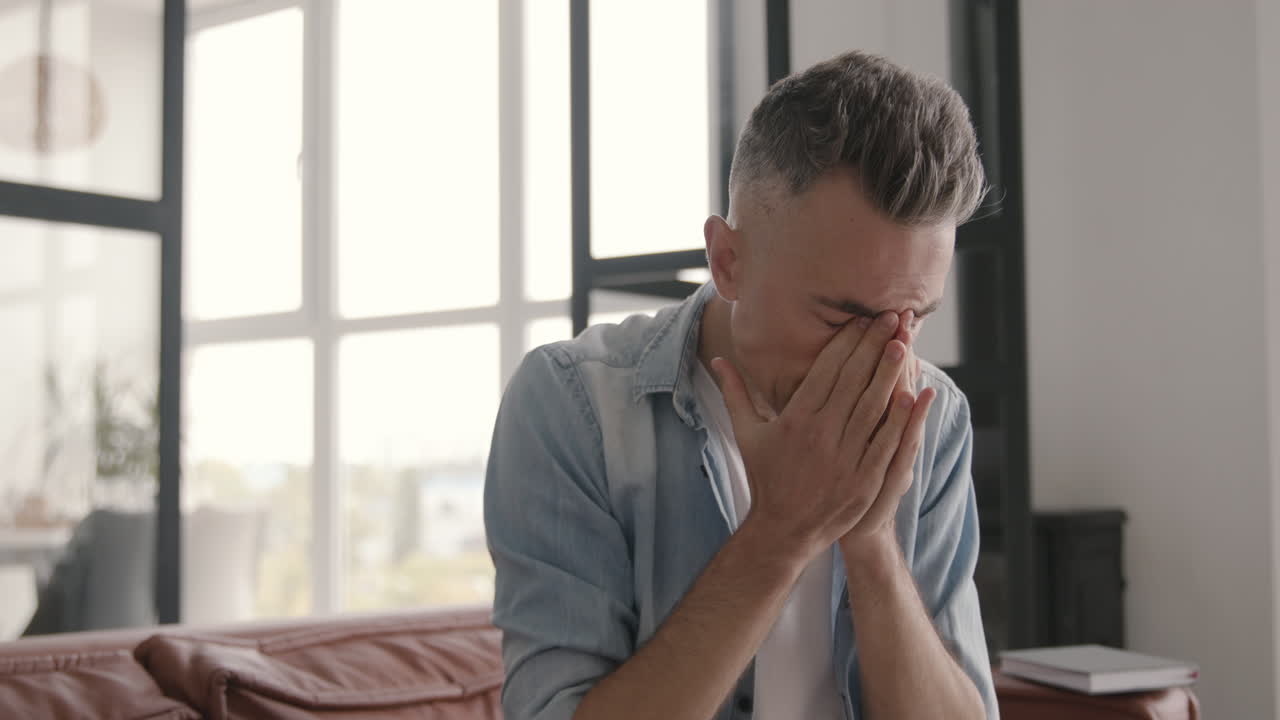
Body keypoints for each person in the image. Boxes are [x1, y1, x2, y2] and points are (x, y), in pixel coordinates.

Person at [485, 49, 997, 720]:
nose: (885, 359)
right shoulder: (573, 407)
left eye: (915, 318)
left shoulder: (936, 415)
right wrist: (782, 530)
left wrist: (869, 537)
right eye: (844, 317)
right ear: (727, 262)